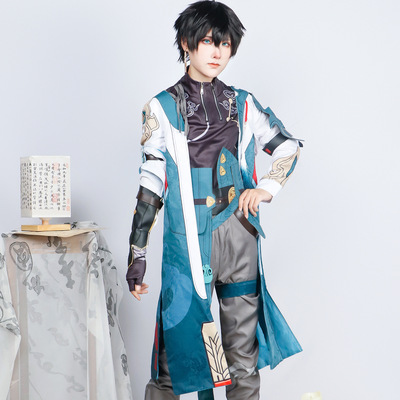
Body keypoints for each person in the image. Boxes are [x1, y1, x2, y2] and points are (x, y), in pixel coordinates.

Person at [126, 1, 303, 399]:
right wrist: (137, 254)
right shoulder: (161, 107)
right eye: (208, 41)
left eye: (224, 44)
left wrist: (266, 188)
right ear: (187, 43)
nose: (217, 52)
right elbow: (151, 185)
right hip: (188, 244)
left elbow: (288, 146)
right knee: (174, 361)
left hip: (238, 238)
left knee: (242, 360)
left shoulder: (243, 102)